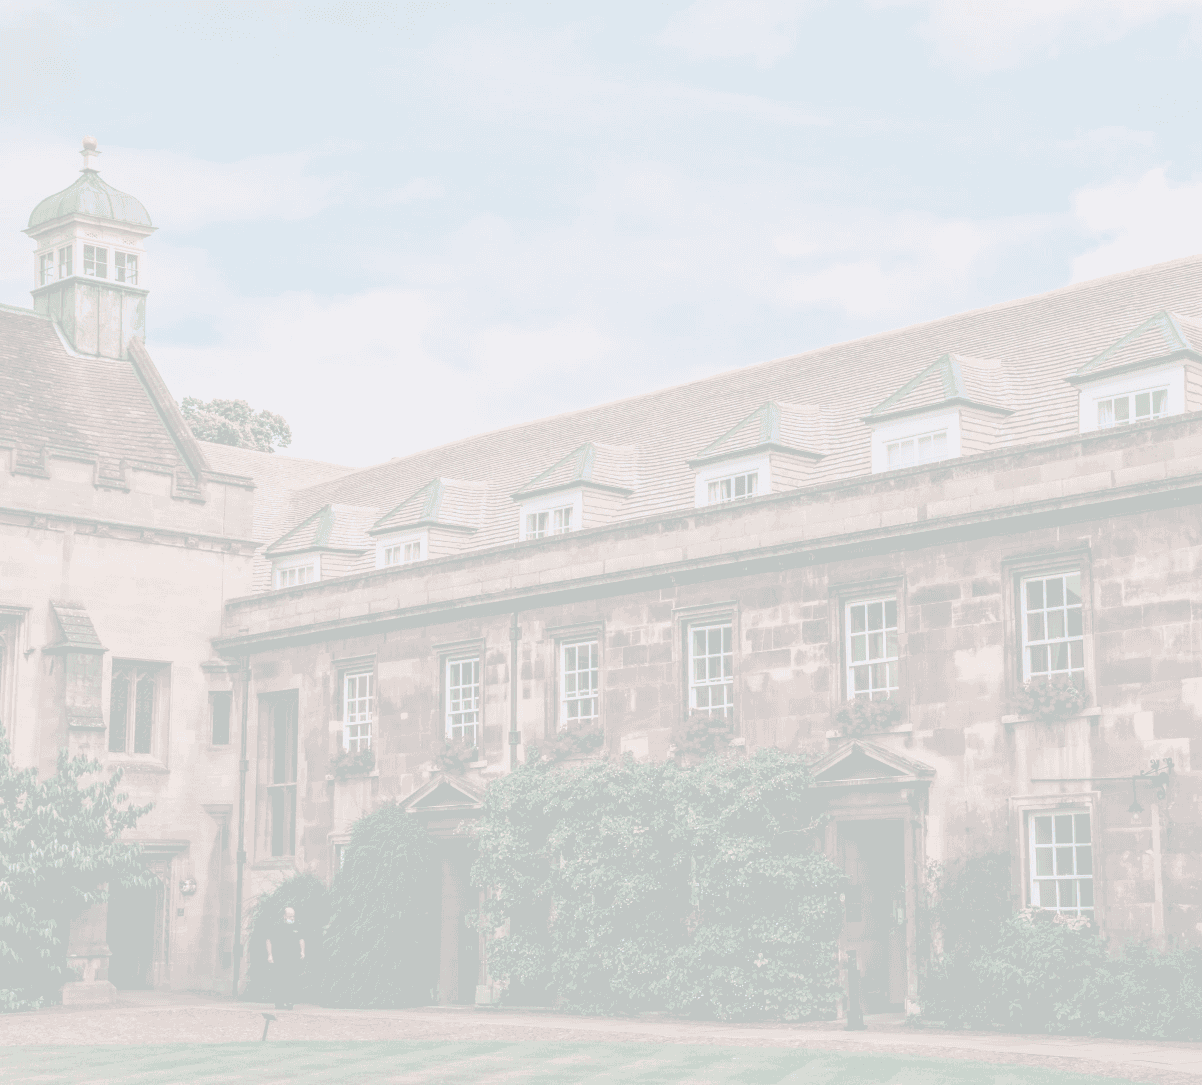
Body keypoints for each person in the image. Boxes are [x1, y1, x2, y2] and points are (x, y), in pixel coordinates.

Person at [265, 905, 305, 1010]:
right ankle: (279, 1002)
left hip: (293, 957)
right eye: (289, 916)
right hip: (279, 957)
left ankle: (290, 1001)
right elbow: (269, 940)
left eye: (293, 916)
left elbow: (301, 939)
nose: (292, 918)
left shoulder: (297, 926)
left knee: (291, 979)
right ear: (284, 916)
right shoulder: (276, 926)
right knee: (279, 979)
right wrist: (270, 954)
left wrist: (302, 951)